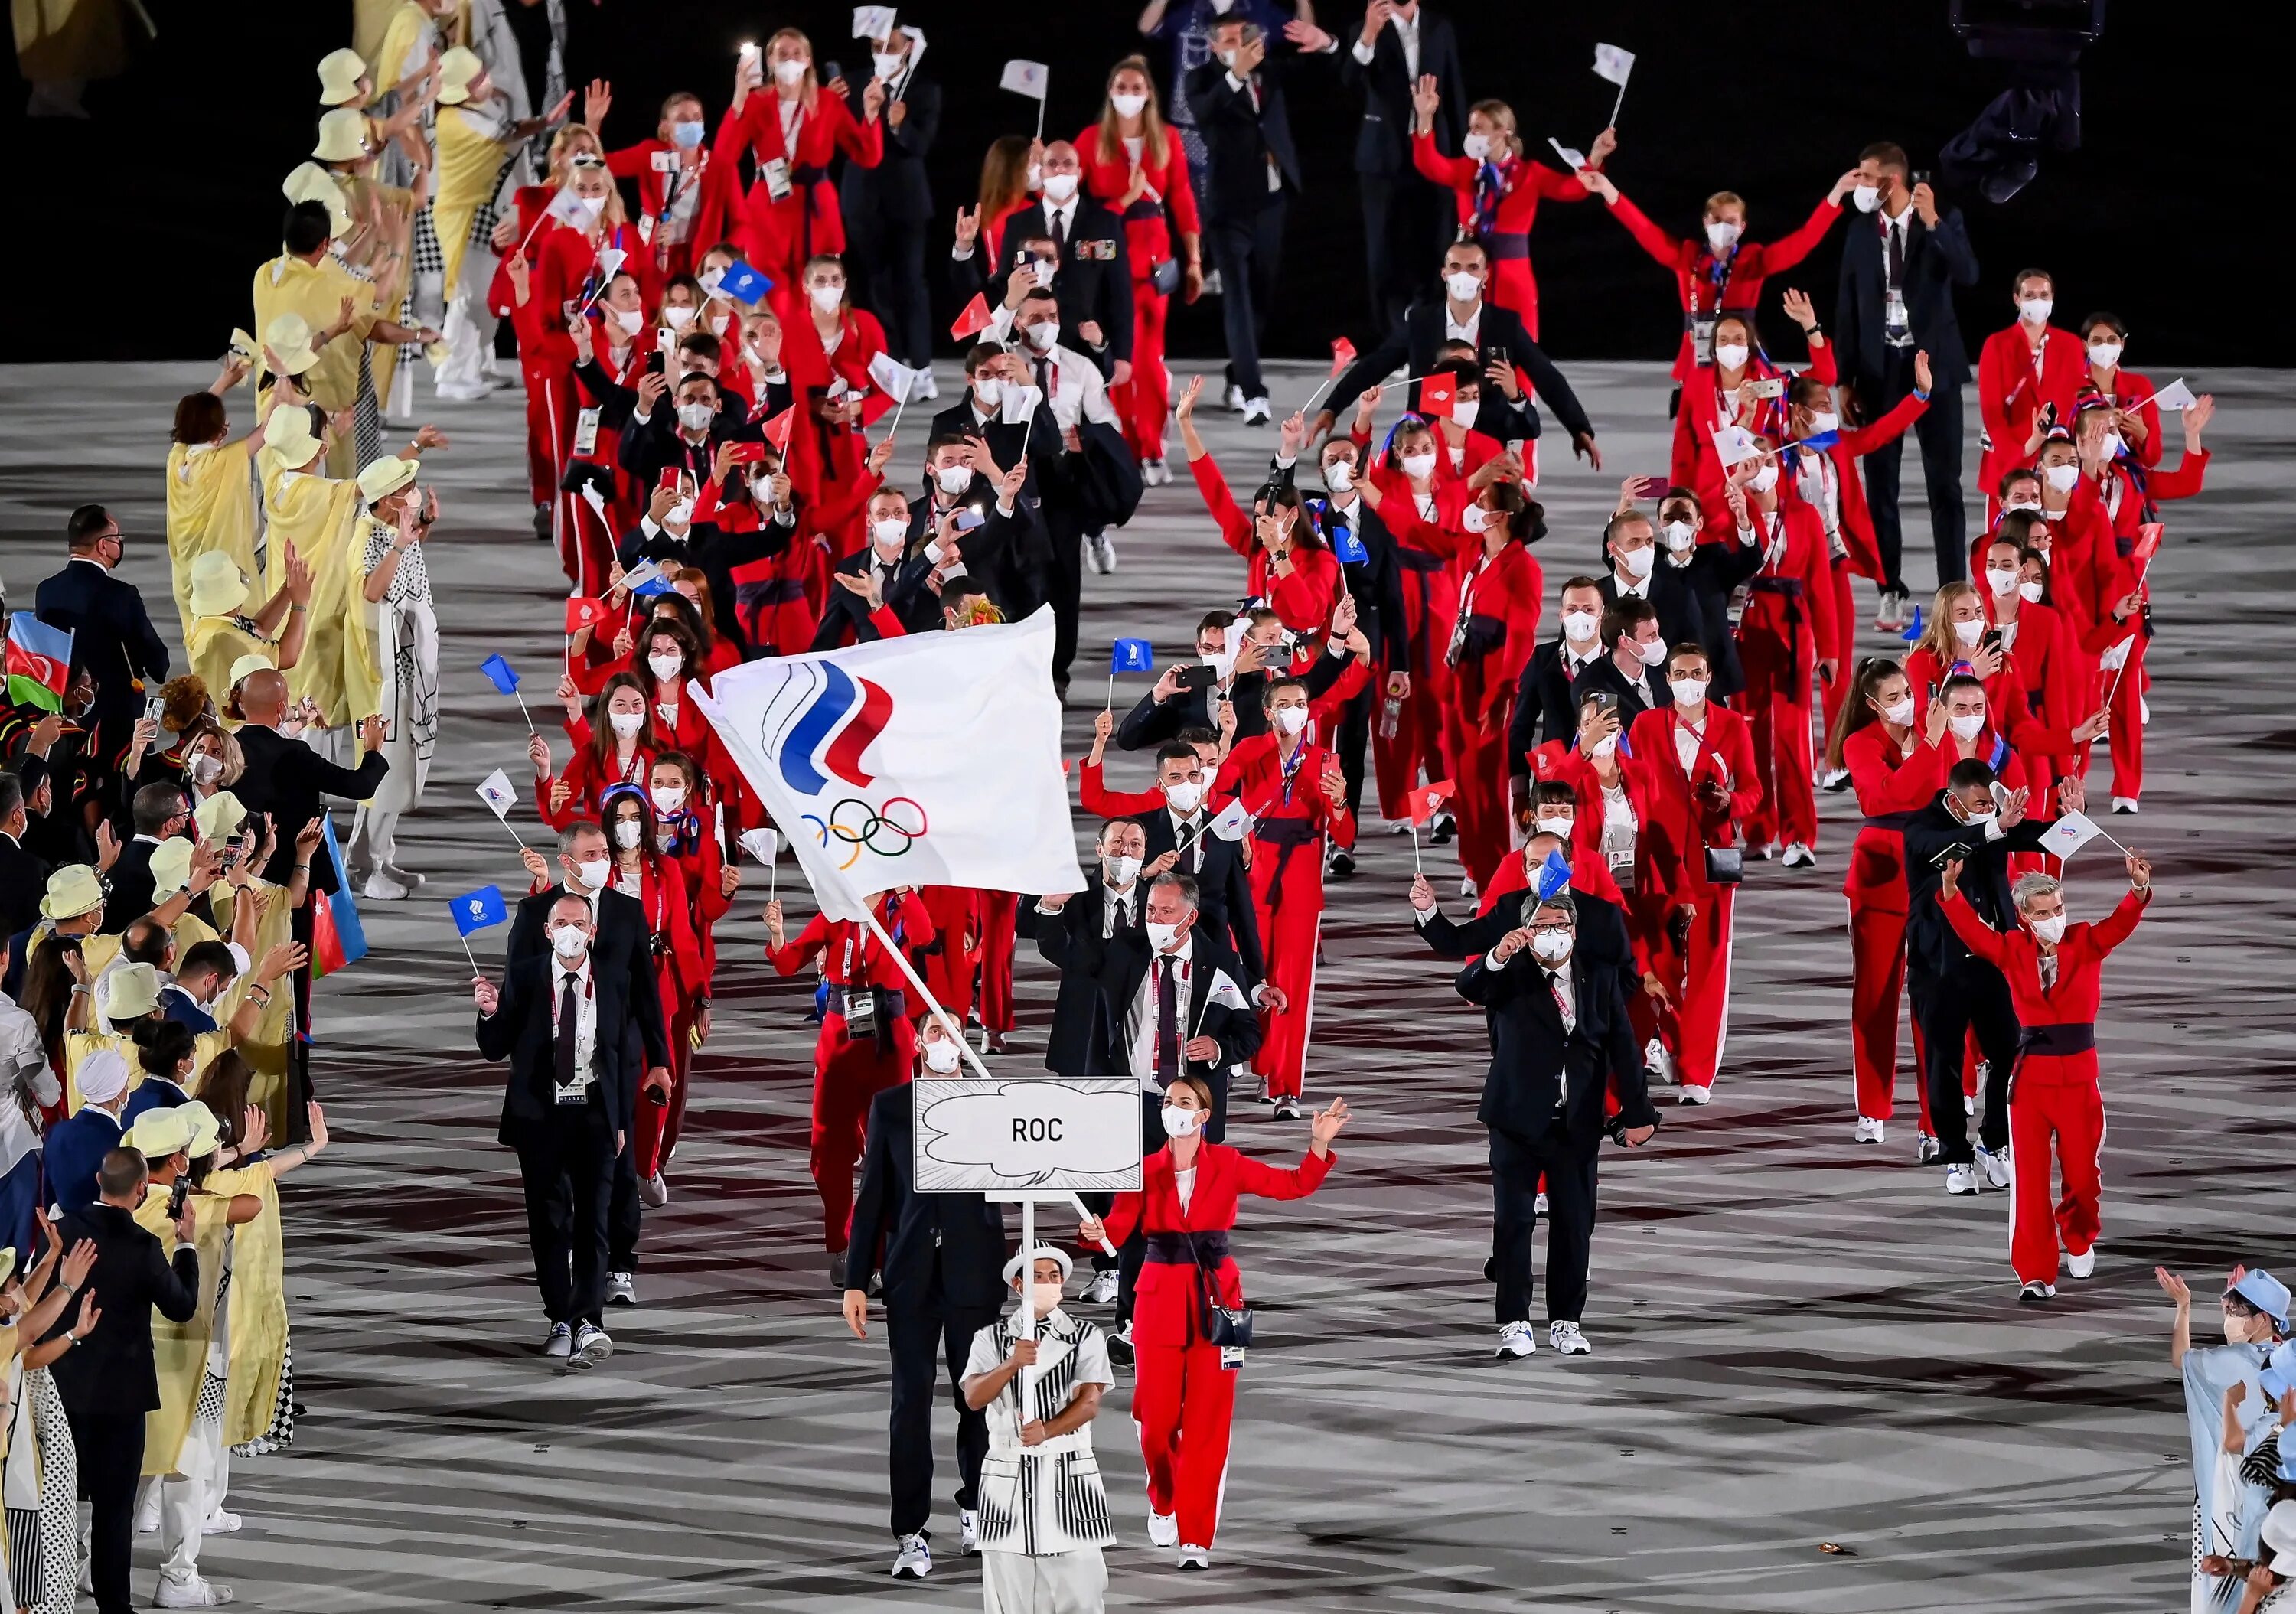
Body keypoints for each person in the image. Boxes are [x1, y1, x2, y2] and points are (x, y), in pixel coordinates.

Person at [1076, 1078, 1346, 1570]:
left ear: (1203, 1114)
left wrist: (1318, 1144)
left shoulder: (1227, 1163)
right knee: (1155, 1421)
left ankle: (1195, 1537)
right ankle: (1163, 1495)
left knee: (1207, 1423)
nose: (1172, 1110)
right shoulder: (1142, 1170)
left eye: (1183, 1103)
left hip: (1217, 1301)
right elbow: (1114, 1232)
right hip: (1158, 1301)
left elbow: (1290, 1185)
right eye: (1167, 1103)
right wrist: (1093, 1233)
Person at [1455, 886, 1659, 1358]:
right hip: (1516, 1120)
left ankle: (1567, 1321)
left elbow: (1623, 1052)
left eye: (1560, 926)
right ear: (1528, 932)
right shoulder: (1509, 976)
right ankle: (1514, 1322)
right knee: (1513, 1223)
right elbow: (1468, 986)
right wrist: (1498, 955)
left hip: (1577, 1123)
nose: (1552, 934)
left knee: (1574, 1224)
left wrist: (1638, 1114)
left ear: (1574, 931)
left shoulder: (1601, 979)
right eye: (1542, 927)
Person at [1939, 852, 2151, 1301]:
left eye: (2058, 908)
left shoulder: (2087, 942)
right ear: (2024, 917)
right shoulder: (2013, 949)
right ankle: (2035, 1272)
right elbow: (1975, 935)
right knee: (2029, 1183)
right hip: (2030, 1084)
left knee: (2081, 1176)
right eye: (2043, 913)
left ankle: (2079, 1237)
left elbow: (2120, 923)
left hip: (2079, 1084)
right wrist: (1952, 893)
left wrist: (2135, 890)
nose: (2054, 917)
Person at [842, 1013, 1007, 1580]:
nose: (945, 1041)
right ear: (918, 1041)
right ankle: (911, 1533)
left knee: (978, 1400)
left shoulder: (996, 1104)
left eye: (954, 1031)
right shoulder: (890, 1106)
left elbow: (1026, 1180)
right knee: (910, 1406)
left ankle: (978, 1510)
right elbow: (872, 1202)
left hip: (975, 1275)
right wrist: (857, 1281)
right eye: (935, 1031)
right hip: (911, 1276)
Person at [508, 822, 674, 1308]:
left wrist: (659, 1061)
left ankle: (620, 1264)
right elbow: (517, 989)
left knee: (619, 1171)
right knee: (558, 1179)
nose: (604, 857)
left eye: (605, 850)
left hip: (615, 1065)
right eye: (592, 852)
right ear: (568, 861)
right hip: (554, 1071)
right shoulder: (537, 913)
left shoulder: (627, 913)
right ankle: (565, 1277)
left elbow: (647, 992)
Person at [473, 892, 635, 1365]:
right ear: (547, 931)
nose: (569, 930)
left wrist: (621, 1118)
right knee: (548, 1222)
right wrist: (488, 1011)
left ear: (591, 930)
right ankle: (559, 1318)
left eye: (577, 922)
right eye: (560, 922)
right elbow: (495, 1047)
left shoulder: (612, 979)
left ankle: (589, 1320)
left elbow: (621, 1055)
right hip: (540, 1117)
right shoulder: (525, 976)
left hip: (594, 1114)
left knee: (593, 1221)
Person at [1899, 760, 2063, 1195]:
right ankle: (1956, 1156)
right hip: (1939, 967)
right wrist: (1994, 826)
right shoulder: (1921, 828)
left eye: (1992, 804)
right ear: (1955, 800)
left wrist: (2072, 819)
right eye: (1980, 804)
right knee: (1945, 1064)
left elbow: (2040, 836)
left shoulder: (1992, 821)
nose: (1989, 811)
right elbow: (1943, 851)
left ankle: (1994, 1143)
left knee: (2011, 1056)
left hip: (1994, 962)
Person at [50, 1146, 201, 1614]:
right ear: (141, 1190)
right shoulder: (143, 1247)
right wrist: (187, 1244)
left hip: (61, 1393)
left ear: (98, 1178)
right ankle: (114, 1608)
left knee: (53, 1505)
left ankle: (41, 1599)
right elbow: (181, 1306)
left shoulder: (63, 1233)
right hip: (120, 1399)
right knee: (114, 1511)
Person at [1832, 142, 1980, 615]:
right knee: (1881, 484)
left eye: (1866, 177)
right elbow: (1848, 306)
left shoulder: (1942, 220)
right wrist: (1844, 378)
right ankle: (1889, 588)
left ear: (1891, 181)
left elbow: (1969, 273)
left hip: (1933, 365)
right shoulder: (1858, 232)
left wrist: (1934, 221)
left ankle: (1953, 591)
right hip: (1881, 371)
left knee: (1945, 482)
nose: (1859, 186)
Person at [765, 887, 934, 1290]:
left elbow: (926, 936)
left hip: (889, 1042)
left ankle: (877, 1253)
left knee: (892, 1151)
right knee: (828, 1151)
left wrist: (906, 894)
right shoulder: (834, 914)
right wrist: (776, 934)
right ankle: (843, 1244)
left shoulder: (900, 910)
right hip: (841, 1039)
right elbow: (789, 963)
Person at [1315, 240, 1599, 470]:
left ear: (1485, 276)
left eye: (1473, 267)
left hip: (1486, 443)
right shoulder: (1421, 322)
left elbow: (1547, 376)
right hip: (1427, 443)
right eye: (1456, 267)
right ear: (1444, 274)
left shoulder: (1504, 325)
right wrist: (1332, 408)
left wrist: (1578, 428)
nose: (1464, 274)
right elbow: (1374, 366)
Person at [1627, 643, 1757, 1104]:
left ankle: (1697, 1072)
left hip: (1711, 858)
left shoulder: (1731, 727)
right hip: (1658, 859)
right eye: (1679, 673)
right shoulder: (1644, 725)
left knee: (1707, 969)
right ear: (1667, 679)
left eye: (1696, 673)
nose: (1688, 681)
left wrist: (1731, 803)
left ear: (1708, 677)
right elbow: (1629, 782)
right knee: (1657, 964)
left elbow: (1755, 790)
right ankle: (1670, 1038)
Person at [1287, 2, 1466, 335]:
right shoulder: (1366, 29)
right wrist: (1369, 34)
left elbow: (1454, 89)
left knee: (1436, 245)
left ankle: (1430, 330)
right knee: (1385, 252)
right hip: (1383, 159)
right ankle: (1395, 339)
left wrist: (1463, 156)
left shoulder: (1439, 26)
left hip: (1434, 154)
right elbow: (1349, 78)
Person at [960, 1244, 1117, 1609]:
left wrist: (1048, 1430)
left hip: (1068, 1471)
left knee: (1081, 1588)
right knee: (1010, 1594)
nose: (1048, 1283)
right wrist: (1011, 1364)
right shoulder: (991, 1338)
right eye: (1037, 1277)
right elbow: (973, 1397)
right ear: (1018, 1284)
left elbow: (1091, 1401)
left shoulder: (1086, 1335)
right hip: (1008, 1474)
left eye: (1054, 1277)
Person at [1078, 57, 1202, 487]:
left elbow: (1183, 198)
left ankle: (1151, 448)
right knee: (1111, 359)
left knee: (1148, 362)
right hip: (1108, 261)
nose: (1128, 93)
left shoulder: (1165, 138)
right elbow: (1074, 204)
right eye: (1120, 85)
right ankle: (1119, 445)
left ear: (1149, 92)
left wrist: (1195, 259)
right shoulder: (1092, 140)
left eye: (1136, 86)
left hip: (1153, 265)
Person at [1185, 13, 1303, 424]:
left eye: (1245, 36)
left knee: (1260, 297)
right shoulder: (1201, 80)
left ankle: (1238, 376)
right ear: (1216, 45)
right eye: (1232, 39)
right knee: (1236, 298)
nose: (1241, 43)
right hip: (1229, 209)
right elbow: (1205, 116)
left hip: (1272, 202)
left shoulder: (1268, 72)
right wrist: (1234, 75)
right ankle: (1255, 393)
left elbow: (1312, 66)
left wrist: (1325, 42)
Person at [2160, 1265, 2289, 1614]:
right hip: (2280, 1503)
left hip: (2228, 1498)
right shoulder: (2287, 1359)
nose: (2229, 1316)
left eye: (2235, 1311)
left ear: (2262, 1318)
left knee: (2223, 1585)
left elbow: (2182, 1359)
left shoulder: (2229, 1361)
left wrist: (2184, 1307)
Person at [347, 458, 442, 898]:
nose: (416, 491)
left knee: (402, 769)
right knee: (385, 771)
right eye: (409, 487)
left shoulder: (395, 528)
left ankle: (373, 858)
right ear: (387, 499)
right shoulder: (368, 537)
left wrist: (421, 528)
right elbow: (372, 590)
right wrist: (404, 543)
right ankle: (366, 871)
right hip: (386, 679)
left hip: (410, 670)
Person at [34, 505, 171, 794]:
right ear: (103, 545)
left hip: (67, 718)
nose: (120, 544)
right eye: (118, 538)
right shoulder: (122, 595)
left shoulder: (46, 591)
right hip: (118, 723)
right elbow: (158, 664)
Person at [840, 27, 938, 386]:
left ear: (908, 48)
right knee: (875, 286)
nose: (883, 52)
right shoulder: (851, 86)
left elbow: (922, 145)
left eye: (891, 47)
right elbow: (842, 140)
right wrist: (857, 111)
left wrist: (900, 127)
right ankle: (890, 365)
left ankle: (922, 365)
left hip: (908, 203)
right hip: (863, 201)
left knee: (911, 283)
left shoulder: (925, 89)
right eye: (877, 46)